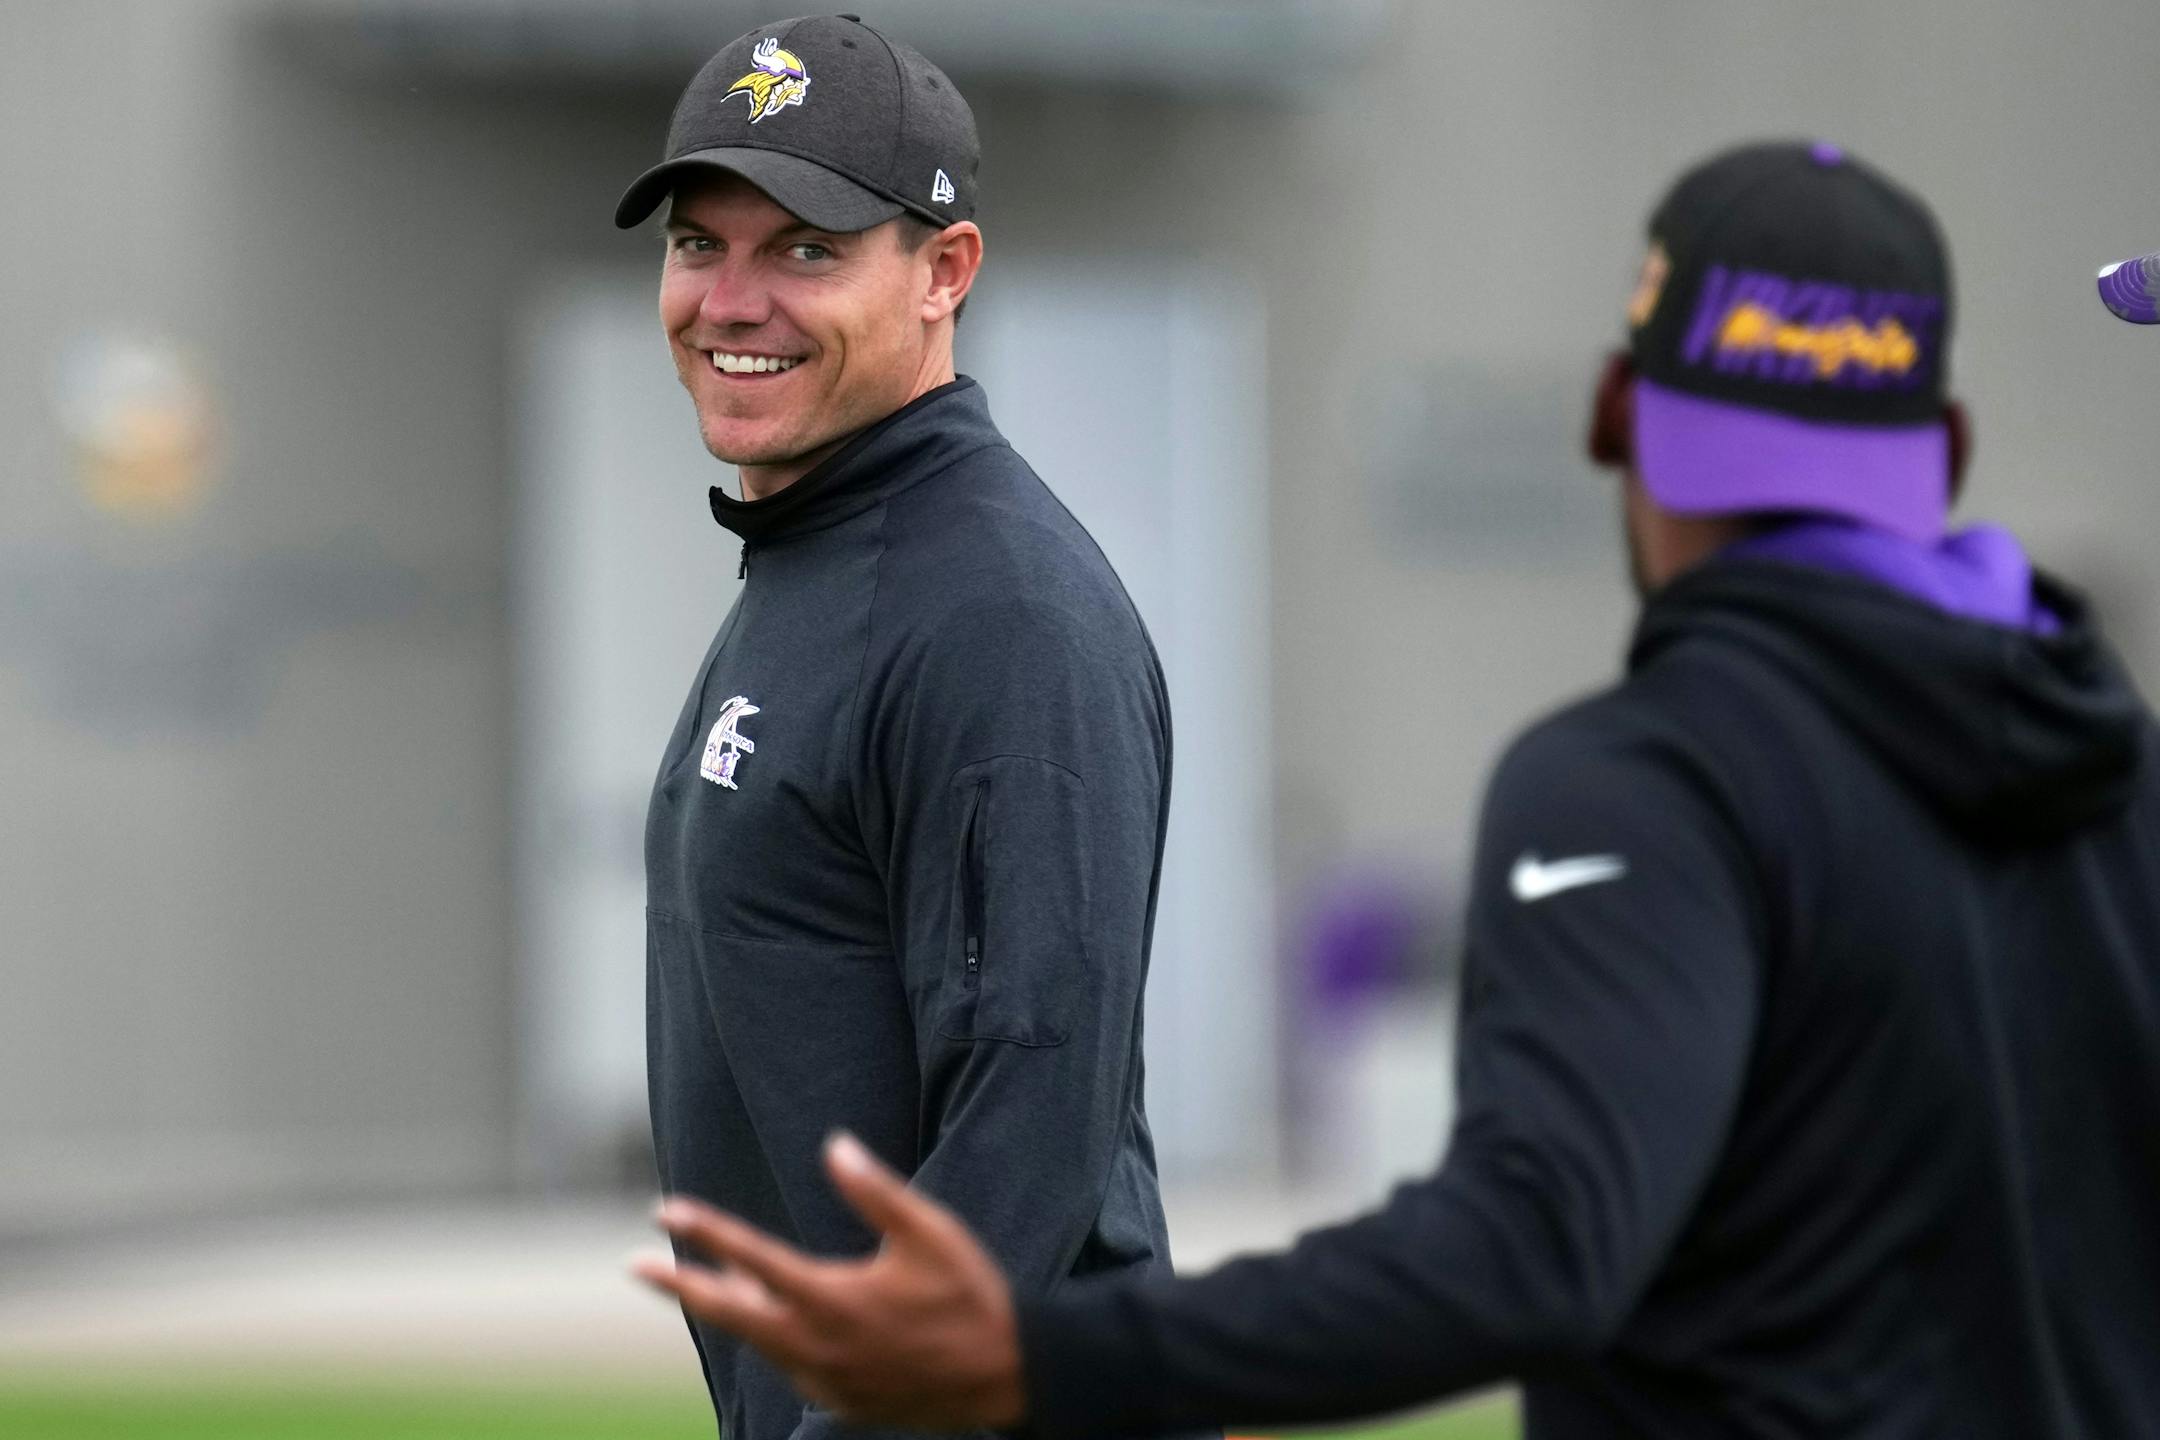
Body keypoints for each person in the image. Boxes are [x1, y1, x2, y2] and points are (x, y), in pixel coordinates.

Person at [634, 141, 2160, 1439]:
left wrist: (1066, 1359)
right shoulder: (2121, 774)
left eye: (806, 247)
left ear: (1624, 424)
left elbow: (1536, 1247)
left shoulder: (1640, 789)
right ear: (1945, 447)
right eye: (703, 245)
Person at [614, 15, 1188, 1439]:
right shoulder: (816, 564)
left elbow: (1022, 1134)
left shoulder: (995, 613)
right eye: (699, 245)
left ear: (944, 273)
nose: (730, 302)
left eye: (806, 250)